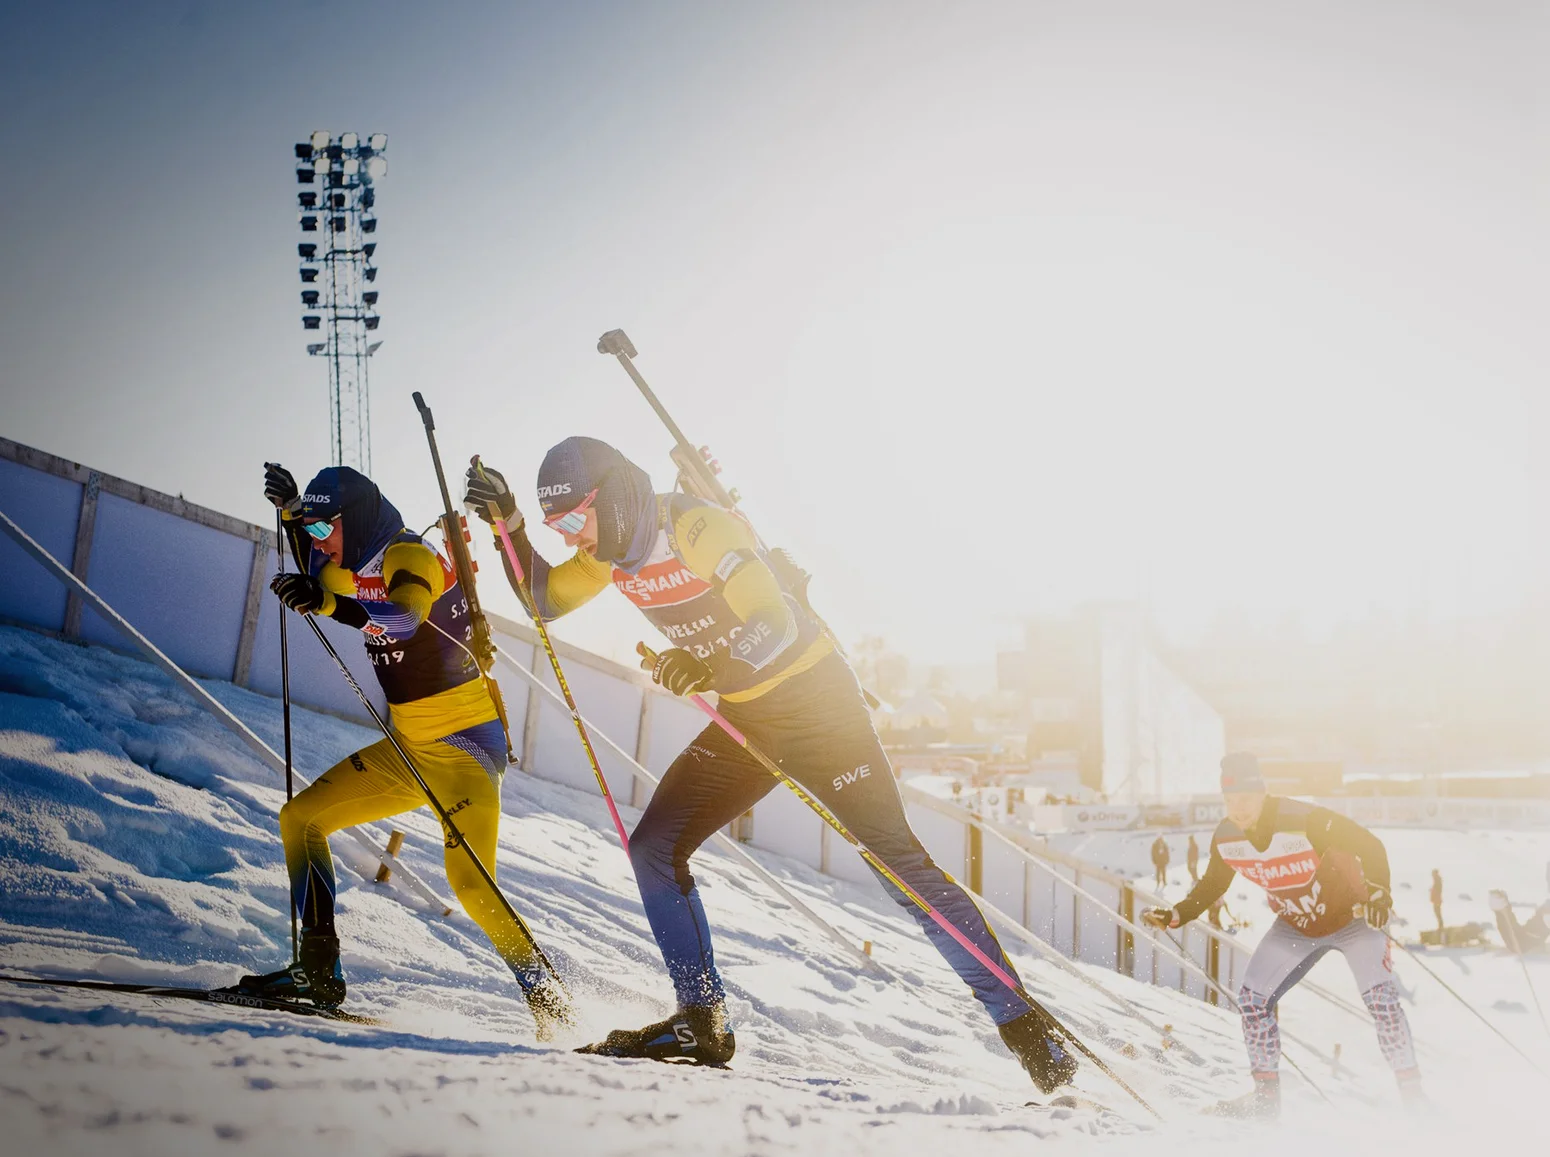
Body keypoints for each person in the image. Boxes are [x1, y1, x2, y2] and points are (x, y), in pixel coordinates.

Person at [462, 440, 1076, 1091]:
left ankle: (1029, 1031)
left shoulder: (692, 525)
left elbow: (774, 620)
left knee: (900, 866)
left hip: (820, 711)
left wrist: (710, 666)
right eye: (559, 526)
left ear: (611, 496)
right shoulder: (605, 557)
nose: (573, 536)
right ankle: (703, 1019)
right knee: (654, 845)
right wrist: (512, 525)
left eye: (574, 518)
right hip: (750, 719)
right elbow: (544, 601)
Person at [234, 464, 570, 1036]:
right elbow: (320, 573)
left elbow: (406, 619)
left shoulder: (407, 556)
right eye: (314, 535)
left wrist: (328, 604)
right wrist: (293, 512)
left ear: (356, 521)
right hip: (412, 750)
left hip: (465, 749)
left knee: (468, 884)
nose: (320, 545)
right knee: (302, 819)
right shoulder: (352, 563)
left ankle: (551, 1001)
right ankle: (318, 972)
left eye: (325, 530)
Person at [1141, 752, 1423, 1117]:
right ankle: (1266, 1102)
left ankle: (1414, 1099)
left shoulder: (1303, 819)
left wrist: (1380, 892)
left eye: (1245, 799)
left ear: (1262, 794)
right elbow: (1213, 882)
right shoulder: (1227, 836)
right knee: (1252, 1000)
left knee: (1382, 1002)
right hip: (1295, 926)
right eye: (1230, 801)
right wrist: (1178, 914)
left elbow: (1368, 844)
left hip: (1353, 920)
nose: (1238, 809)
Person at [1429, 869, 1444, 936]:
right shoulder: (1437, 880)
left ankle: (1440, 926)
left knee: (1438, 913)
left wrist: (1432, 891)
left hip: (1437, 900)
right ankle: (1440, 926)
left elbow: (1437, 890)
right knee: (1437, 913)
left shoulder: (1437, 880)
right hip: (1436, 900)